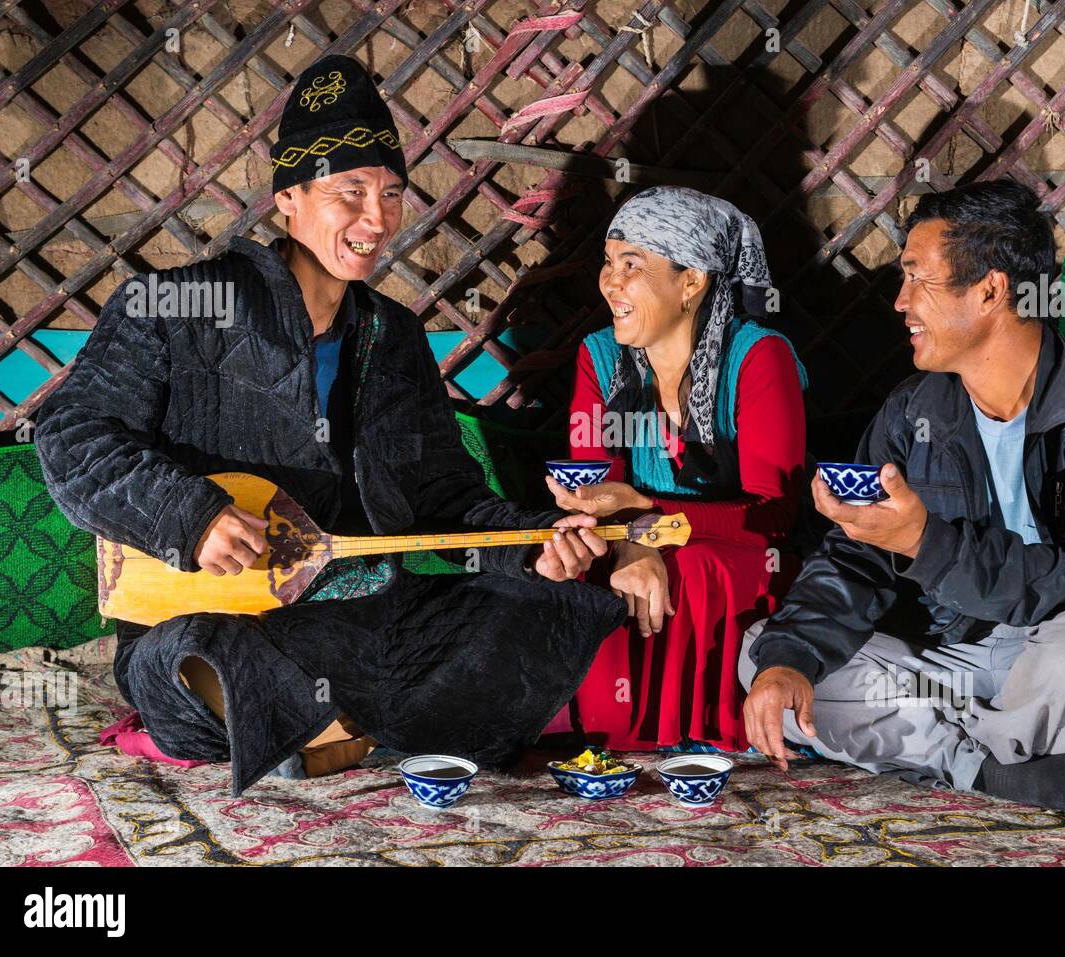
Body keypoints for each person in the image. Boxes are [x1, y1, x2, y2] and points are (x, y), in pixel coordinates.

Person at [33, 55, 624, 795]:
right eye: (351, 192)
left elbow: (447, 497)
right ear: (289, 196)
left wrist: (534, 547)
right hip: (223, 618)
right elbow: (72, 436)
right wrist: (193, 515)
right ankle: (349, 724)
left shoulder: (394, 337)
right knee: (193, 655)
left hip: (368, 619)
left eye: (391, 193)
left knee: (553, 604)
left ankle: (323, 726)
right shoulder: (174, 305)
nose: (376, 220)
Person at [739, 180, 1065, 821]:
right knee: (766, 653)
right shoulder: (914, 409)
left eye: (916, 278)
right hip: (971, 669)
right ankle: (994, 771)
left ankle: (961, 755)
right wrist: (792, 659)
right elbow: (854, 561)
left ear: (990, 290)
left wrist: (925, 544)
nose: (900, 302)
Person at [544, 186, 808, 751]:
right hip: (635, 541)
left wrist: (648, 519)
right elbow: (594, 487)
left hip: (741, 553)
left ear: (692, 281)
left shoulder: (760, 358)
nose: (611, 283)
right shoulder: (602, 356)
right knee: (568, 563)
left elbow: (775, 516)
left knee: (694, 565)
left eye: (632, 266)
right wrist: (631, 541)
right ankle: (600, 727)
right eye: (608, 264)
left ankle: (696, 732)